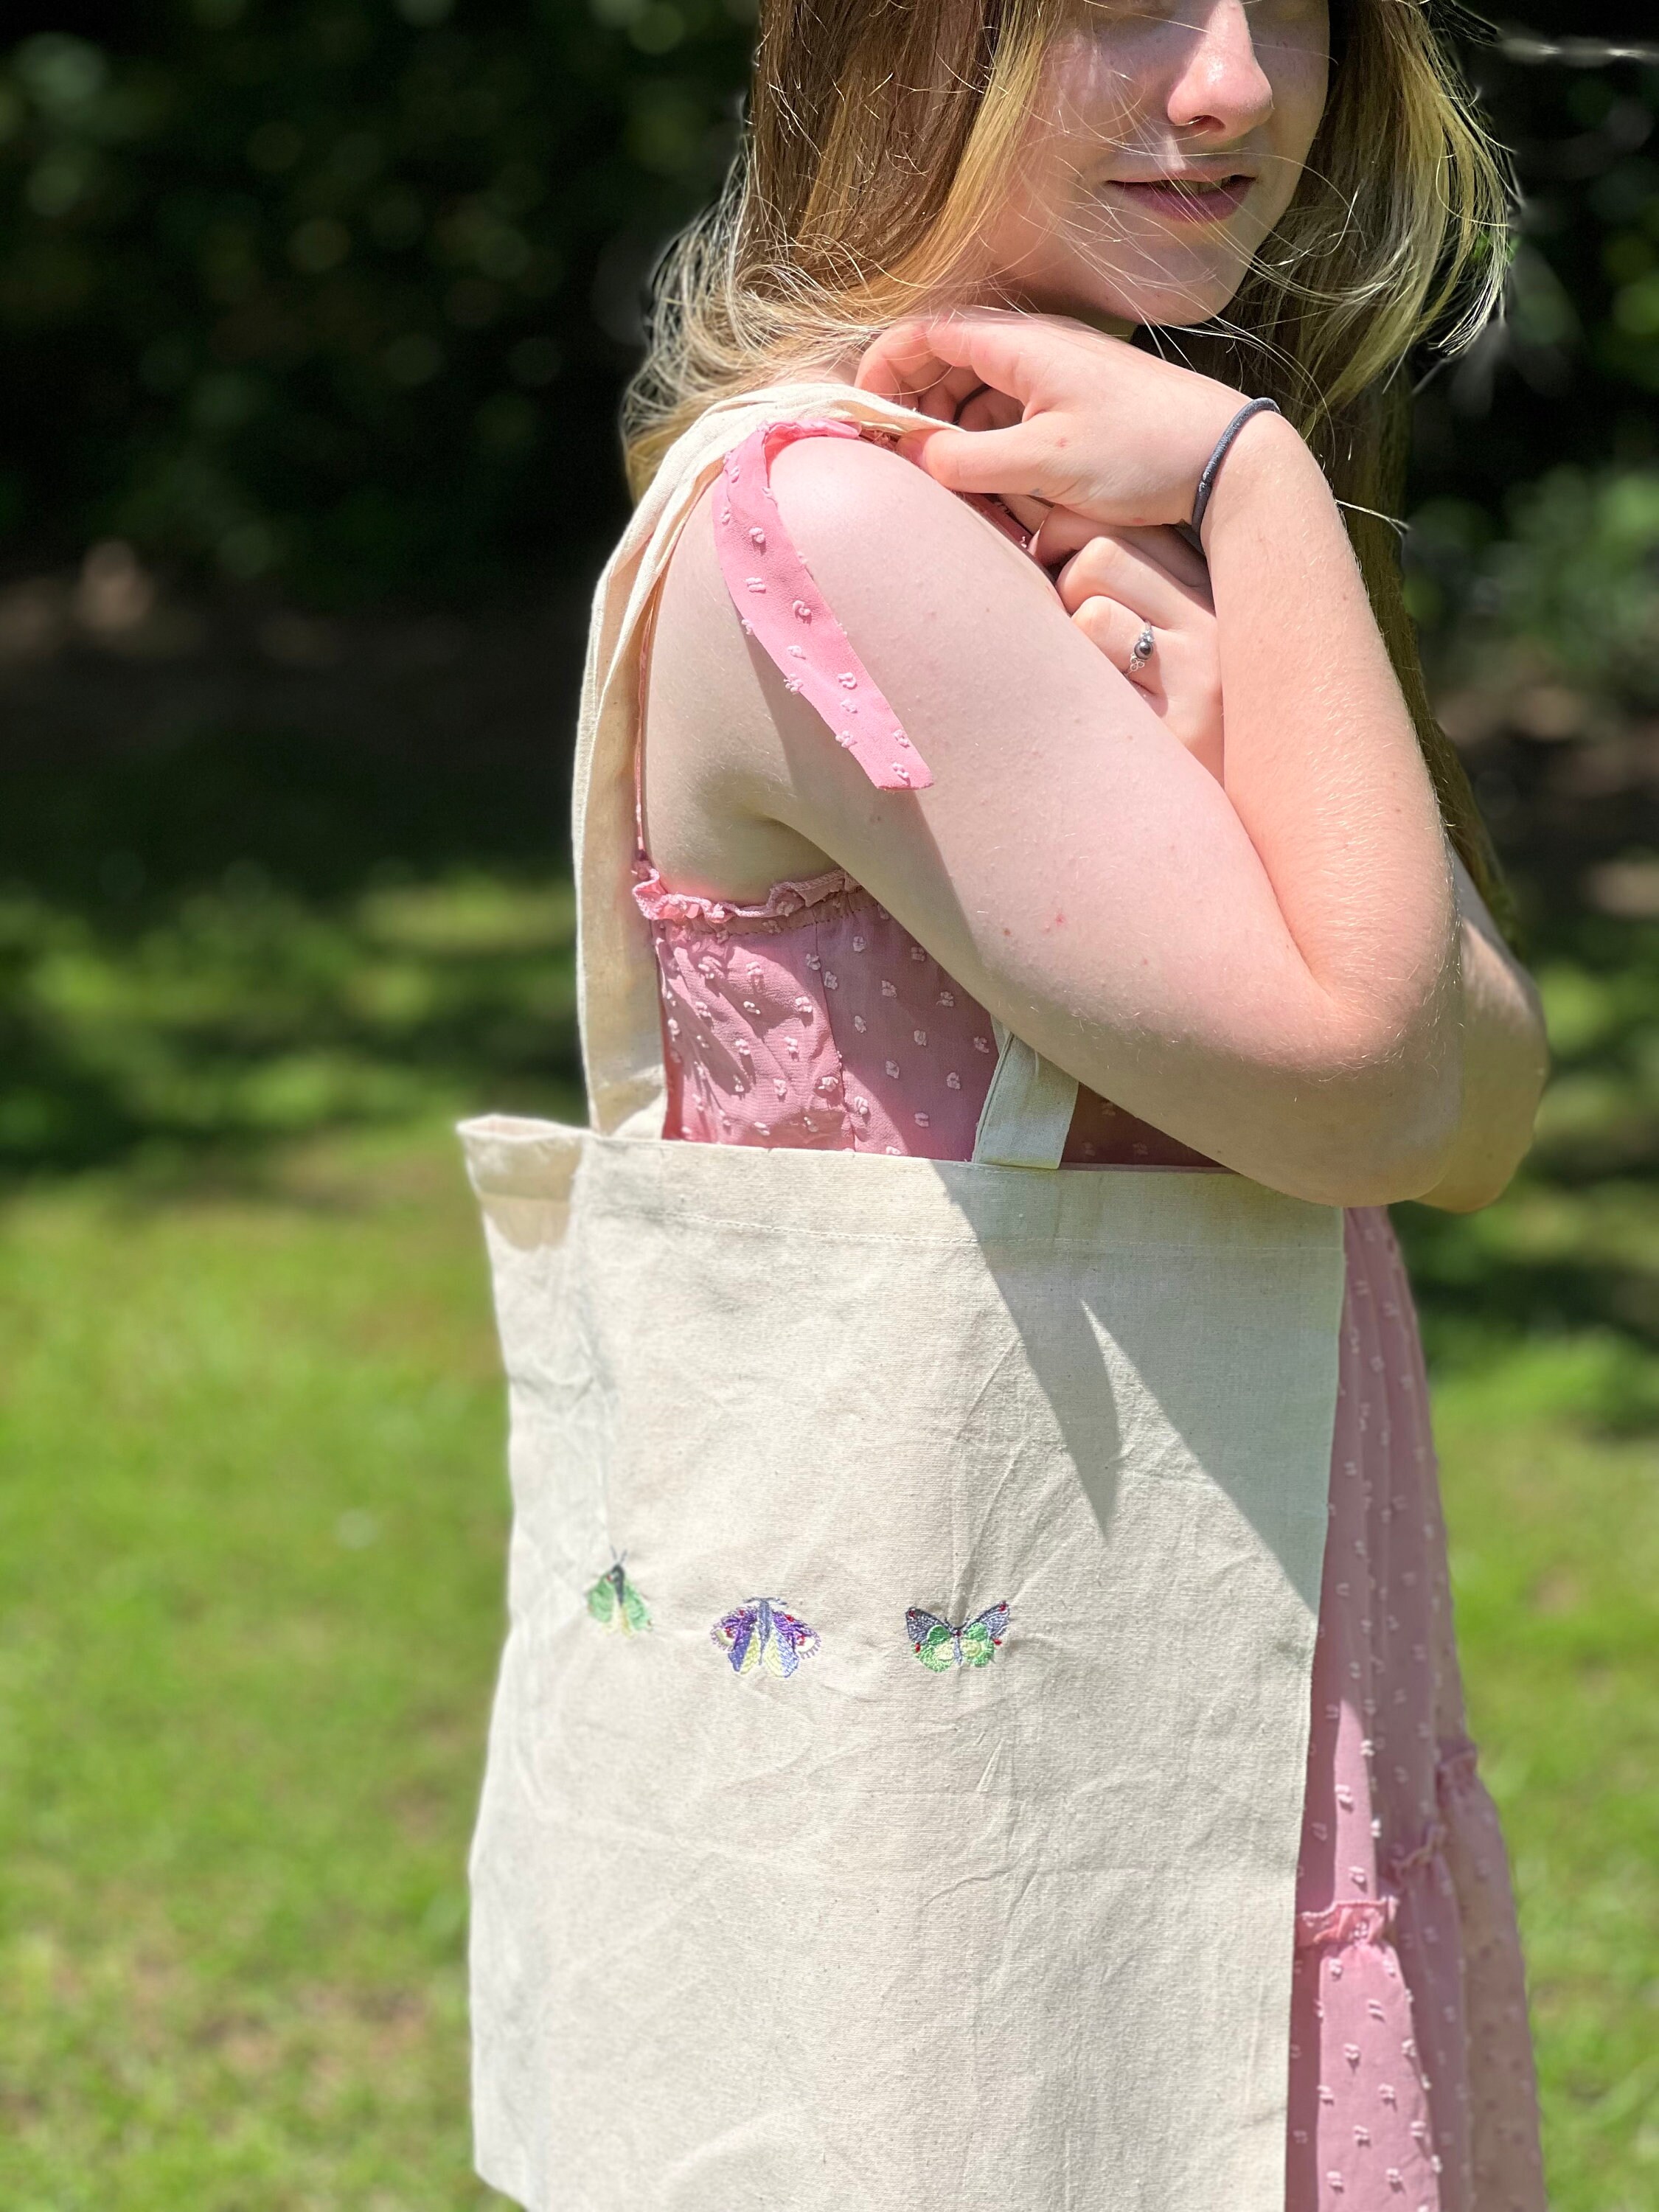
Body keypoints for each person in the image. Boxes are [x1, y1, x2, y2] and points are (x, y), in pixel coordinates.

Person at [459, 4, 1551, 2208]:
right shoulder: (844, 534)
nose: (1237, 87)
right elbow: (1370, 1089)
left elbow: (1478, 1101)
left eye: (1289, 10)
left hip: (1190, 1720)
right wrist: (1262, 509)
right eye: (1127, 2)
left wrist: (1243, 653)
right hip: (1003, 1817)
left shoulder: (1066, 512)